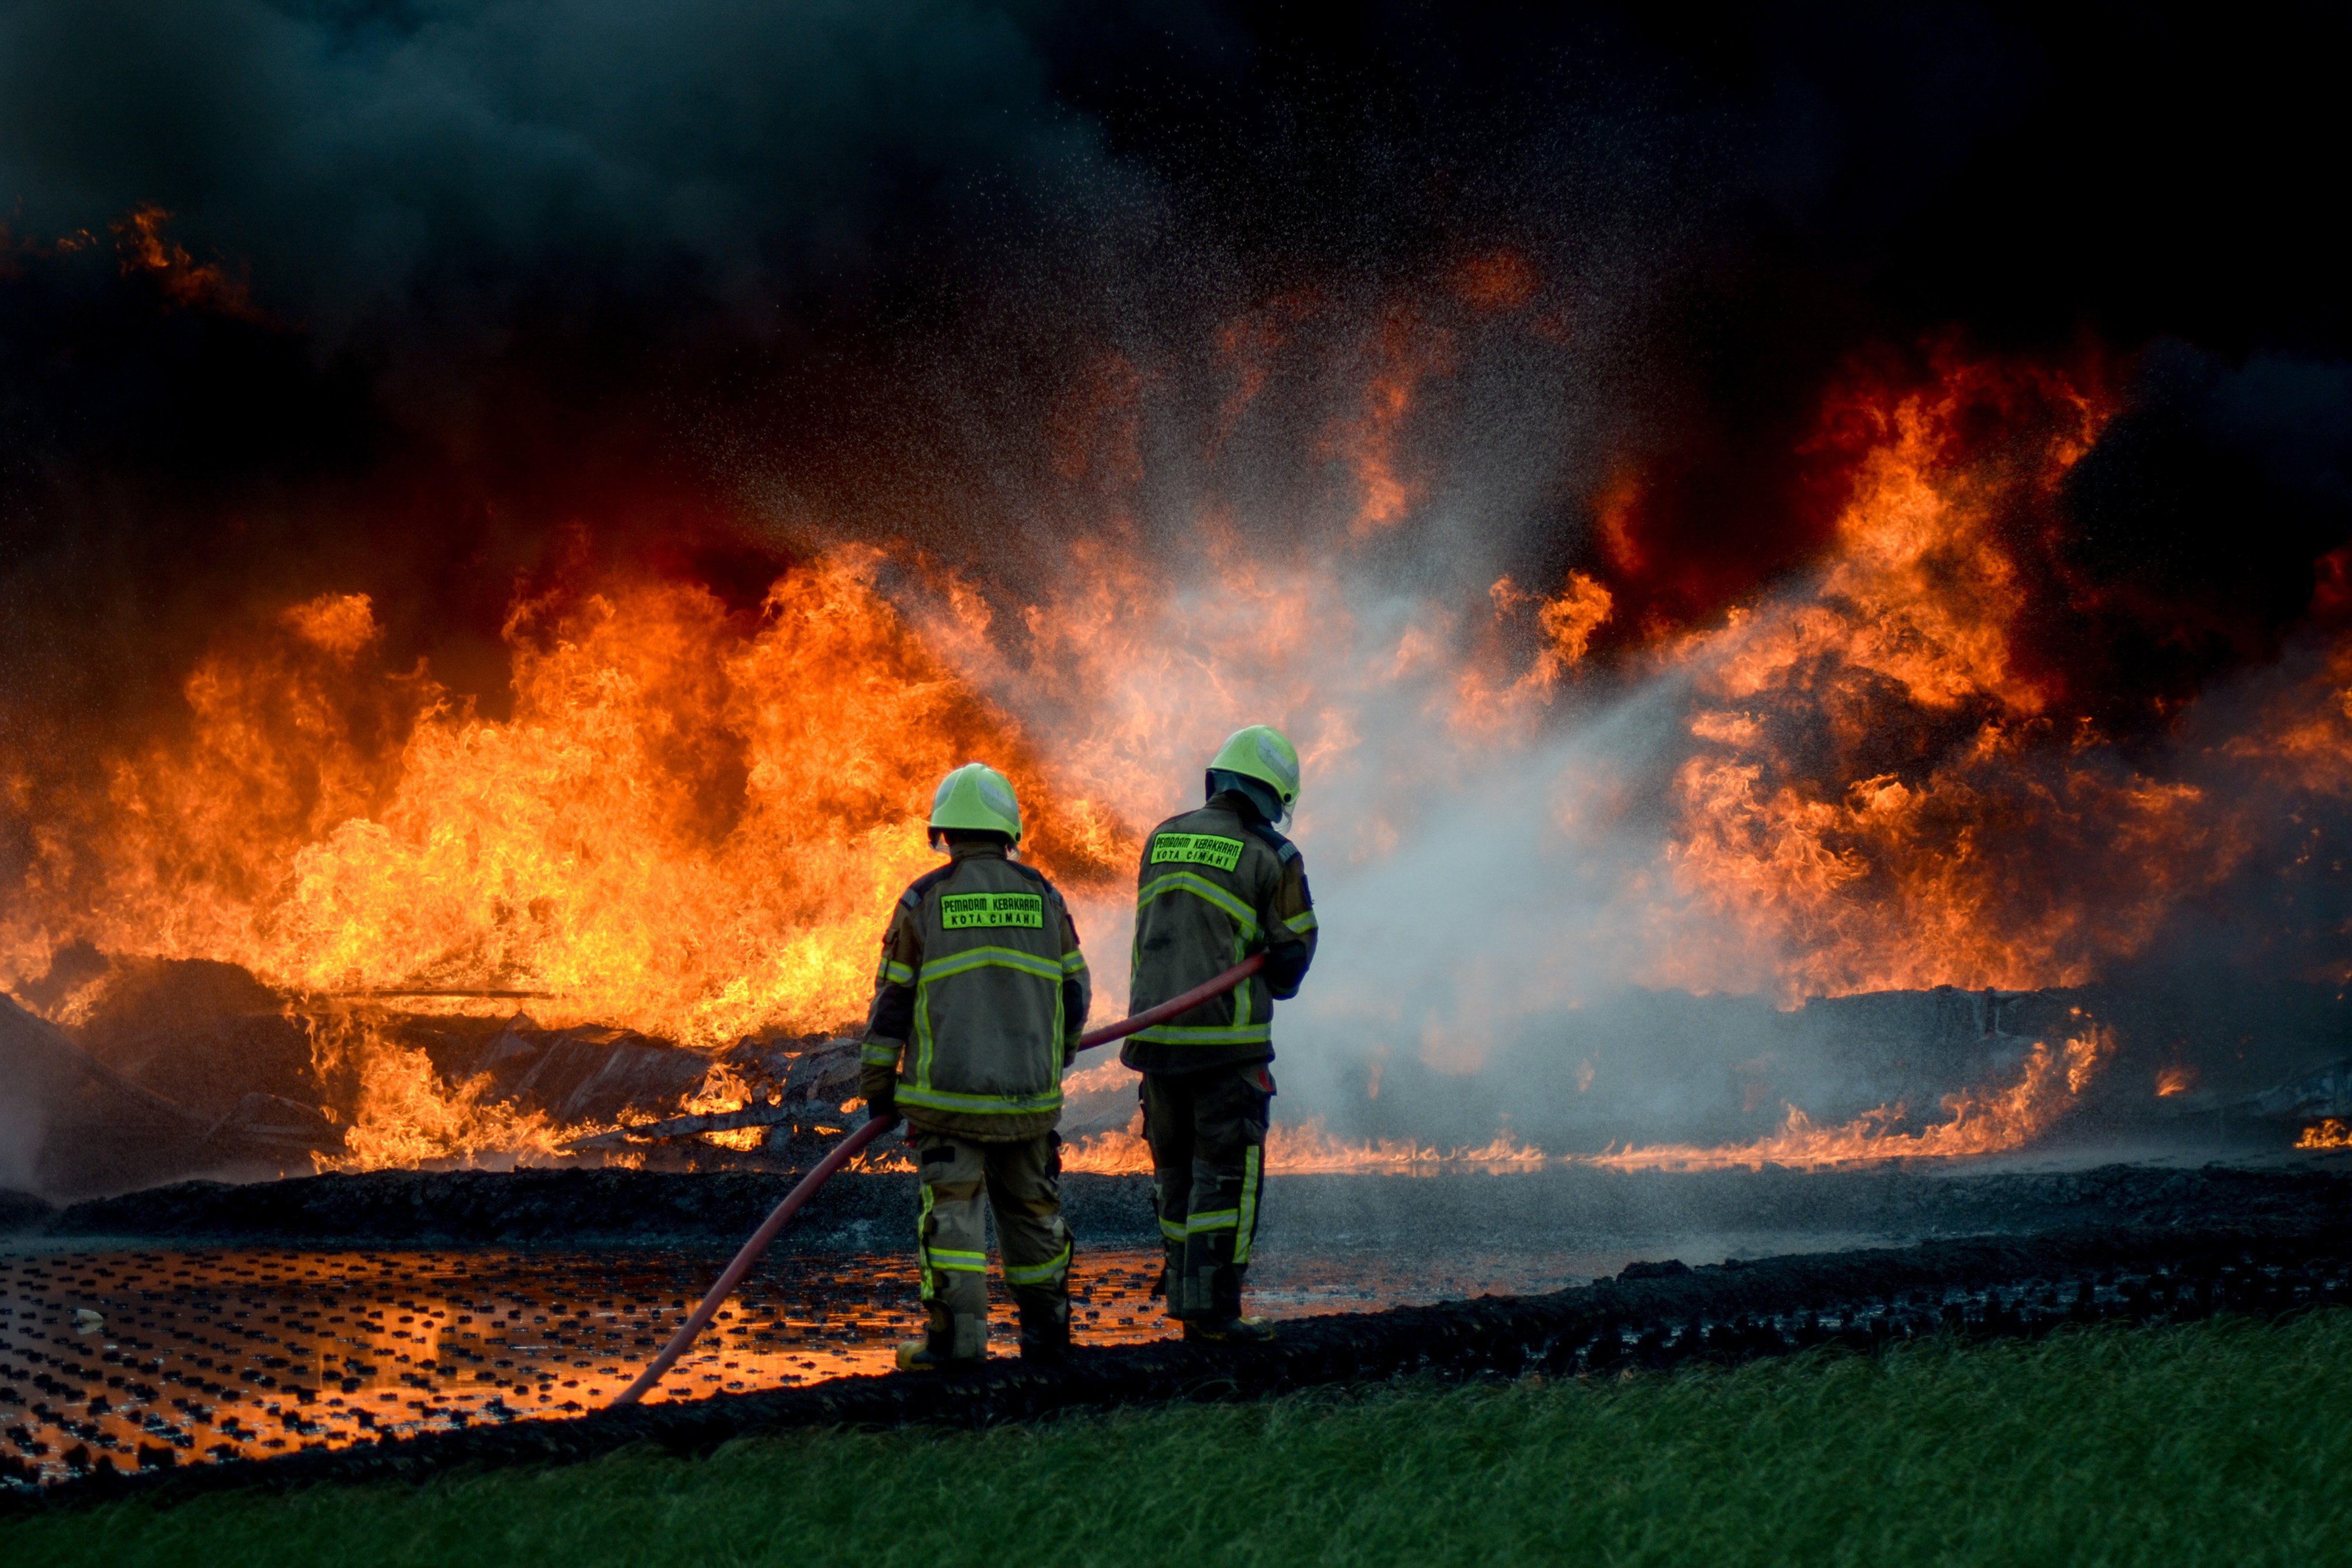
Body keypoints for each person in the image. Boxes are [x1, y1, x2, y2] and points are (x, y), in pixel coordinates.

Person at [859, 762, 1091, 1370]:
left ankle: (957, 1350)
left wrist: (880, 1087)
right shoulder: (1044, 896)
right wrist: (1053, 1058)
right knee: (1034, 1220)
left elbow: (891, 1005)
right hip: (1027, 1102)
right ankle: (1048, 1344)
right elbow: (1076, 992)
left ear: (944, 833)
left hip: (950, 1103)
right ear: (1008, 831)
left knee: (955, 1228)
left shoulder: (925, 900)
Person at [1123, 724, 1318, 1343]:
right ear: (1272, 795)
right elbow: (1290, 958)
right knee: (1225, 1183)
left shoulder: (1163, 838)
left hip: (1156, 1045)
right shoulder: (1273, 856)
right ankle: (1215, 1317)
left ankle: (1187, 1303)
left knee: (1175, 1178)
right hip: (1225, 1051)